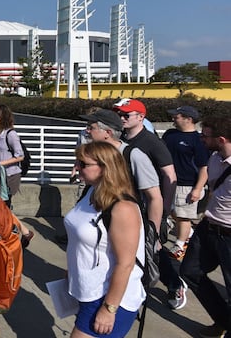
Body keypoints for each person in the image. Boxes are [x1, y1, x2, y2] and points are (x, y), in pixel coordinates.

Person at [65, 141, 146, 338]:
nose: (77, 167)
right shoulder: (93, 192)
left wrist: (109, 309)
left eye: (83, 164)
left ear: (105, 168)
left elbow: (126, 264)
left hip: (109, 297)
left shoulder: (123, 208)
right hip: (88, 289)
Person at [180, 115, 231, 338]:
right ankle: (224, 320)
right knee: (189, 271)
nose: (201, 138)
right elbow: (213, 190)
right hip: (209, 227)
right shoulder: (214, 157)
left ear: (221, 139)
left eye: (205, 135)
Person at [113, 98, 178, 223]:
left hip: (146, 201)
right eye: (119, 115)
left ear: (141, 117)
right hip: (124, 198)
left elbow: (169, 174)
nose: (121, 118)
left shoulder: (152, 142)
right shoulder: (120, 138)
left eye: (126, 115)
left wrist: (166, 207)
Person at [162, 105, 209, 261]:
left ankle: (181, 244)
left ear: (188, 119)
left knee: (183, 217)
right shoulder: (169, 134)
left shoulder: (198, 140)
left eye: (177, 116)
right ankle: (187, 234)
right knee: (170, 211)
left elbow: (204, 168)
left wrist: (197, 189)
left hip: (187, 184)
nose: (173, 119)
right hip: (168, 181)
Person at [0, 104, 35, 247]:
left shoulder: (11, 134)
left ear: (1, 116)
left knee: (3, 206)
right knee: (0, 207)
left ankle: (13, 233)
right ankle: (22, 232)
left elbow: (19, 156)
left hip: (10, 175)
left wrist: (1, 163)